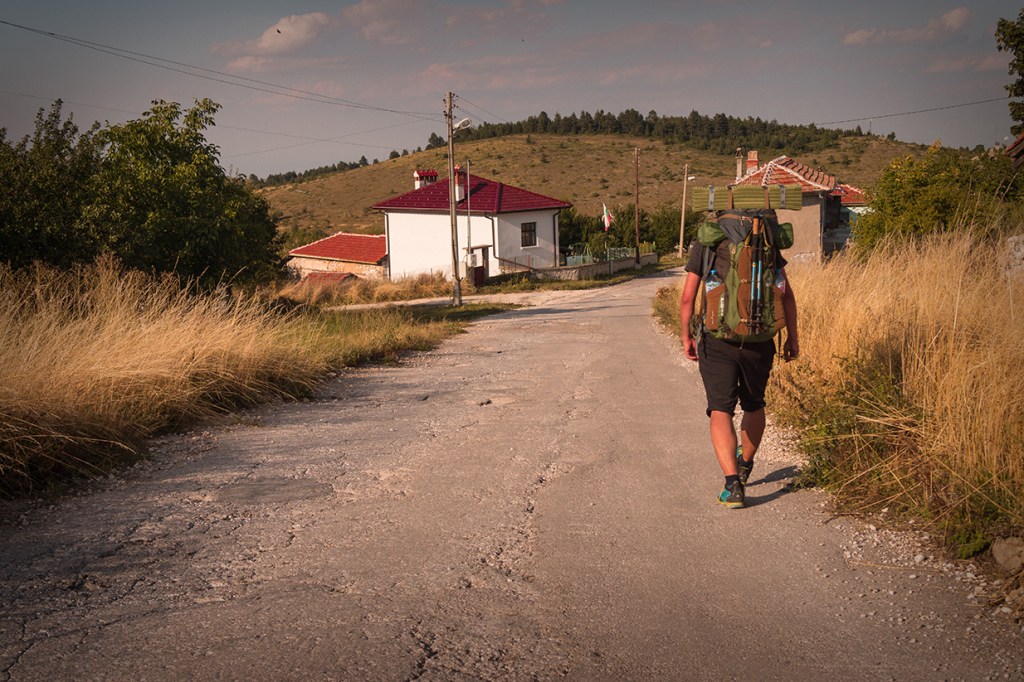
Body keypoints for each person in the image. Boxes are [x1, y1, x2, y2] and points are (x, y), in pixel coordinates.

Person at [678, 238, 798, 509]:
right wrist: (793, 338)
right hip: (760, 341)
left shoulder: (708, 242)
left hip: (717, 339)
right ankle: (744, 465)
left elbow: (687, 298)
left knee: (721, 408)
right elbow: (786, 294)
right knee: (754, 404)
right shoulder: (765, 239)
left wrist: (686, 336)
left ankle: (733, 486)